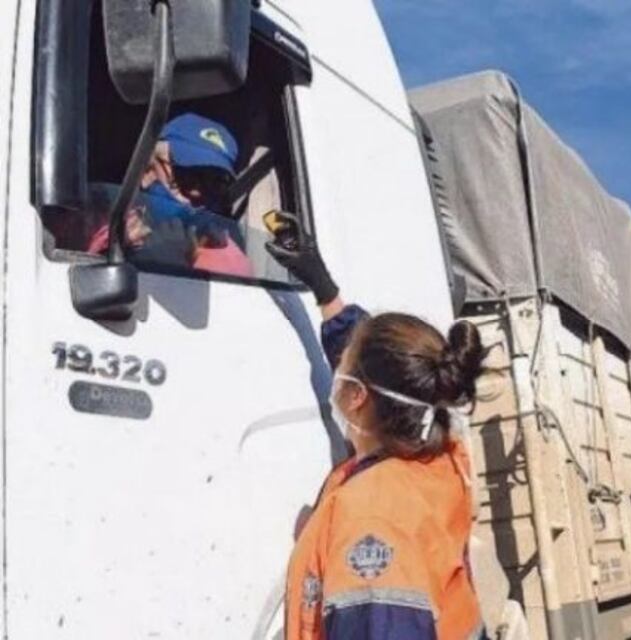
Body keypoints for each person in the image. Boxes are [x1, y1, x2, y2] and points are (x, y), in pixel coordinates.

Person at [265, 212, 488, 640]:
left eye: (342, 367)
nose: (337, 367)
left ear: (357, 395)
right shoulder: (438, 456)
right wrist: (323, 287)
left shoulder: (374, 514)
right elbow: (384, 362)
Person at [88, 112, 253, 278]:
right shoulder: (110, 228)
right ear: (147, 171)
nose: (198, 192)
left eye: (217, 183)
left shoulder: (227, 258)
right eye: (187, 175)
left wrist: (173, 274)